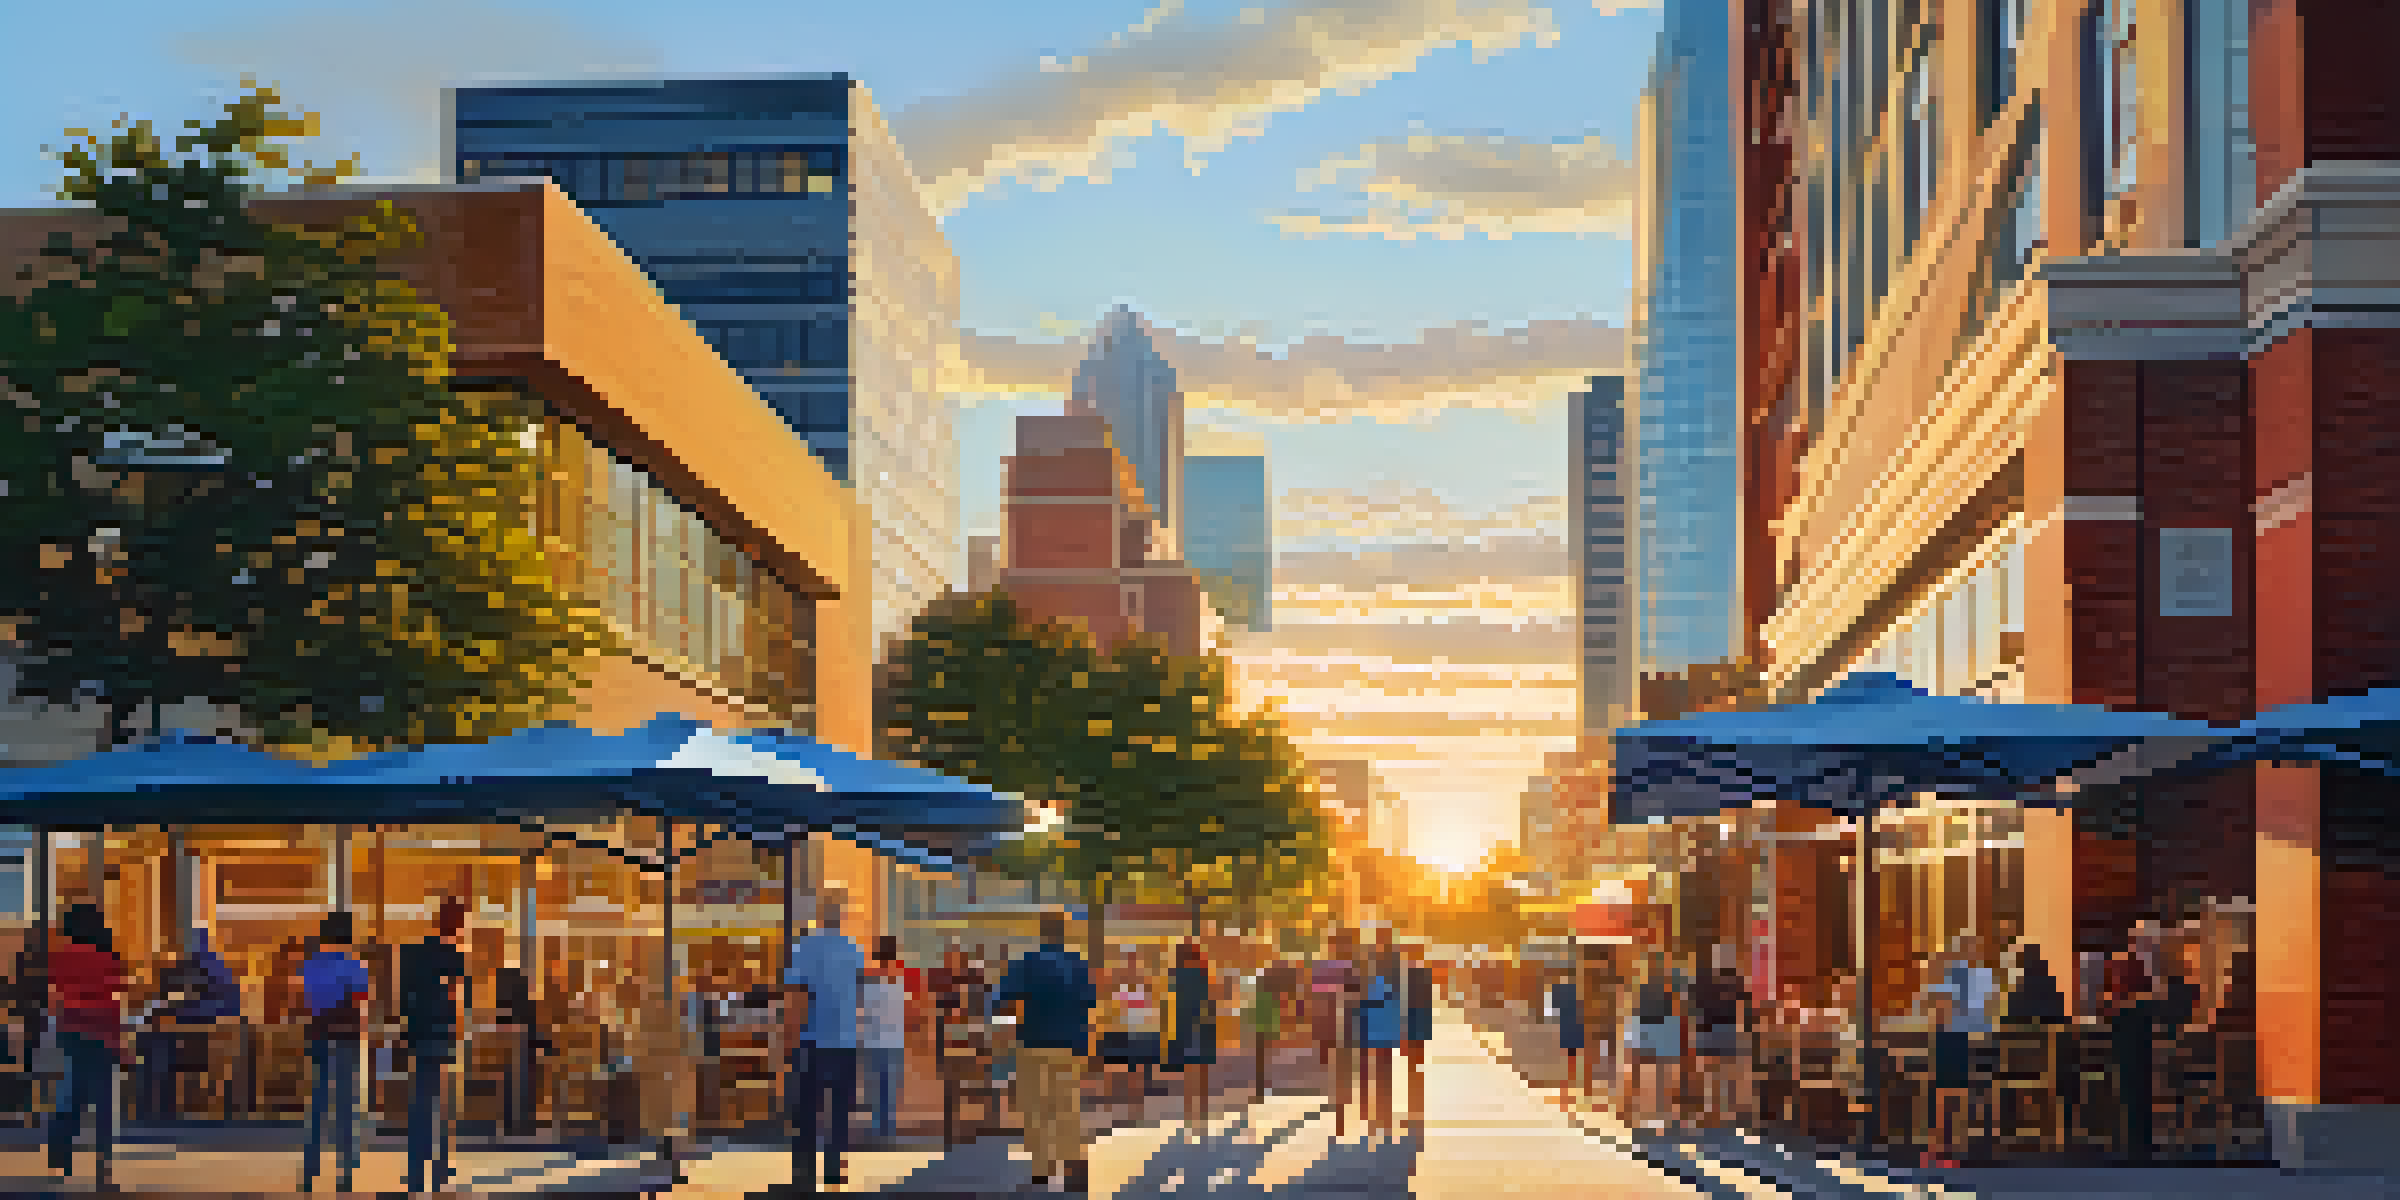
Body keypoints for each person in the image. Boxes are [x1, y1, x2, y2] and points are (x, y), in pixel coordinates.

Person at [995, 910, 1097, 1194]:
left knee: (1035, 1110)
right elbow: (1089, 1005)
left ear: (1041, 933)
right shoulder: (1079, 964)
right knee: (1068, 1107)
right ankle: (1075, 1169)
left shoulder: (1025, 963)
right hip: (1071, 1046)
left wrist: (1004, 1036)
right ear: (1064, 934)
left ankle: (1041, 1171)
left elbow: (1003, 1004)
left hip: (1033, 1043)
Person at [784, 890, 865, 1193]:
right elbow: (858, 995)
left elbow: (796, 997)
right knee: (839, 1111)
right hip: (846, 1041)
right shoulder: (852, 949)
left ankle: (804, 1173)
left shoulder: (805, 947)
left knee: (806, 1110)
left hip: (813, 1039)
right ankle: (834, 1171)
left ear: (819, 912)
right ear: (841, 914)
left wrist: (788, 1041)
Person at [46, 903, 127, 1189]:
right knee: (104, 1103)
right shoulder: (111, 957)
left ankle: (59, 1162)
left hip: (73, 1033)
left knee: (71, 1096)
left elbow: (56, 995)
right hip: (104, 1035)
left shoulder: (61, 957)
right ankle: (103, 1170)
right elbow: (116, 999)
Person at [398, 896, 470, 1194]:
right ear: (458, 924)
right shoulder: (454, 956)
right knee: (441, 1105)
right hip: (441, 1034)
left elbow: (404, 995)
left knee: (419, 1104)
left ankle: (415, 1170)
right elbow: (455, 997)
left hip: (418, 1034)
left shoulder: (414, 953)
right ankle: (439, 1169)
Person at [138, 926, 241, 1125]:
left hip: (194, 1034)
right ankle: (159, 1107)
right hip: (208, 1034)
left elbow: (177, 1002)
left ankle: (152, 1108)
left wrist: (170, 1013)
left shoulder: (192, 969)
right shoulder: (217, 967)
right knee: (158, 1045)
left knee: (155, 1048)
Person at [298, 911, 371, 1193]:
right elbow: (361, 1008)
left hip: (319, 1037)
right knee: (345, 1107)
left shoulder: (309, 966)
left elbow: (307, 1004)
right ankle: (346, 1172)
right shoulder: (356, 966)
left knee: (317, 1105)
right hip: (347, 1040)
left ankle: (309, 1171)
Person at [1926, 934, 1995, 1167]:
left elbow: (1941, 1010)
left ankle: (1943, 1148)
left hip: (1953, 1038)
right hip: (1971, 1041)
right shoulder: (1982, 977)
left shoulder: (1955, 975)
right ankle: (1956, 1146)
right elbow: (1985, 1015)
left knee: (1945, 1094)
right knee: (1957, 1094)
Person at [931, 943, 993, 1147]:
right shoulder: (945, 985)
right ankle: (954, 1129)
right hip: (953, 1044)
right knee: (953, 1089)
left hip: (968, 1043)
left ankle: (972, 1126)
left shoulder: (976, 986)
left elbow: (983, 1017)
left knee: (970, 1088)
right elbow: (938, 1016)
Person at [2105, 931, 2159, 1163]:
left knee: (2129, 1086)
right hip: (2142, 1044)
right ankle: (2141, 1141)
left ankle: (2132, 1141)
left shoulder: (2122, 967)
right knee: (2141, 1087)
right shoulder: (2137, 971)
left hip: (2127, 1038)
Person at [1691, 945, 1750, 1130]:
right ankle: (1724, 1114)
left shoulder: (1704, 980)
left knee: (1713, 1076)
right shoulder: (1736, 981)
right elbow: (1743, 1008)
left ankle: (1714, 1113)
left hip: (1711, 1032)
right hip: (1724, 1031)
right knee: (1724, 1076)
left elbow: (1695, 1008)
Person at [1164, 939, 1218, 1135]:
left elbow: (1174, 1001)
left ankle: (1189, 1115)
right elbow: (1210, 1000)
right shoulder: (1203, 972)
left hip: (1184, 1024)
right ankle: (1201, 1115)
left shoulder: (1178, 975)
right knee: (1201, 1070)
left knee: (1188, 1070)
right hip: (1203, 1024)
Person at [860, 935, 910, 1143]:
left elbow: (865, 1010)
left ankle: (877, 1129)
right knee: (889, 1089)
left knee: (875, 1088)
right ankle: (887, 1130)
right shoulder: (901, 978)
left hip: (874, 1039)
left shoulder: (871, 978)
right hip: (894, 1039)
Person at [1623, 949, 1681, 1130]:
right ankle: (1655, 1115)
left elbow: (1636, 1008)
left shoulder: (1645, 985)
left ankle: (1648, 1115)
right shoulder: (1665, 985)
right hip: (1659, 1026)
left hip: (1654, 1026)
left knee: (1650, 1073)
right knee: (1658, 1073)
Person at [1355, 931, 1402, 1139]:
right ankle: (1373, 1111)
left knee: (1379, 1068)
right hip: (1375, 1019)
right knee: (1376, 1068)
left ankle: (1378, 1112)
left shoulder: (1381, 964)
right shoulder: (1379, 964)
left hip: (1380, 1020)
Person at [1311, 931, 1358, 1136]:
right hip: (1343, 1022)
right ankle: (1342, 1100)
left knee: (1334, 1063)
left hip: (1331, 1022)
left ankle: (1339, 1101)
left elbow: (1316, 995)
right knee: (1342, 1063)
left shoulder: (1323, 967)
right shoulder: (1351, 967)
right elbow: (1357, 995)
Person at [1245, 961, 1291, 1104]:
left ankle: (1262, 1090)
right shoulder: (1270, 993)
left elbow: (1255, 1010)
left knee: (1263, 1060)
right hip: (1263, 1028)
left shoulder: (1267, 993)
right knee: (1264, 1059)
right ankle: (1262, 1090)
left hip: (1263, 1028)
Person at [1550, 962, 1586, 1103]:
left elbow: (1553, 1010)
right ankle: (1570, 1090)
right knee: (1573, 1058)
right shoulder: (1578, 988)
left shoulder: (1559, 989)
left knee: (1570, 1058)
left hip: (1569, 1028)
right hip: (1574, 1028)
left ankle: (1567, 1091)